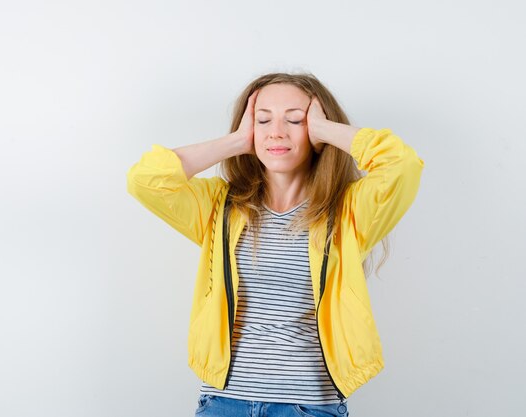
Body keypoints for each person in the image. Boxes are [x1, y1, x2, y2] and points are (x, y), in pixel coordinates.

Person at [126, 72, 424, 417]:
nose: (277, 131)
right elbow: (144, 180)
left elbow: (403, 166)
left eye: (295, 120)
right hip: (223, 403)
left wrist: (325, 131)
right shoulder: (220, 206)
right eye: (262, 119)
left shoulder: (348, 211)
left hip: (307, 406)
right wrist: (237, 141)